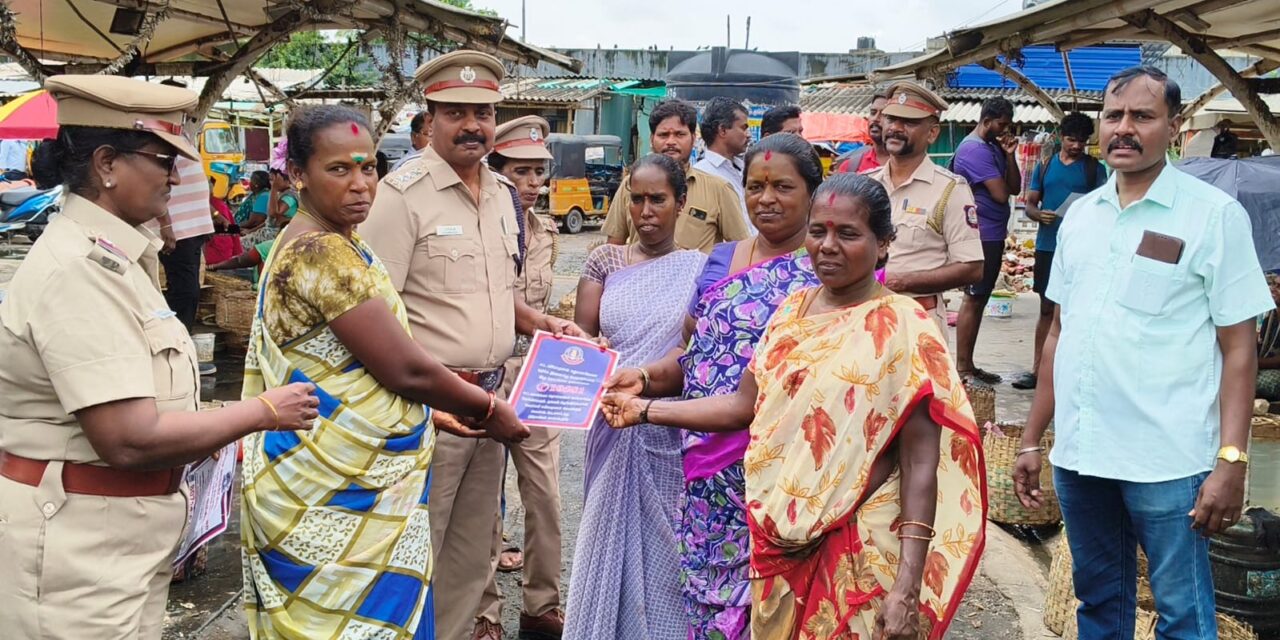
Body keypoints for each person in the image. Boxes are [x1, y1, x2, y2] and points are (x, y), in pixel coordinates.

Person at [602, 172, 987, 640]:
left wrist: (908, 584)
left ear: (883, 244)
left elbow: (921, 460)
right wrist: (642, 409)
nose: (827, 246)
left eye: (848, 234)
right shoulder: (792, 312)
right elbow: (744, 407)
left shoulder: (906, 328)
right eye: (818, 231)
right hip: (779, 536)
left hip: (861, 540)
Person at [0, 74, 318, 640]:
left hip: (117, 541)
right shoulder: (78, 271)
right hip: (79, 552)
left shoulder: (119, 257)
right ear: (106, 164)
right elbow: (128, 437)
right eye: (160, 158)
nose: (176, 177)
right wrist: (262, 412)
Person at [239, 104, 530, 638]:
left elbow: (351, 368)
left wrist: (434, 414)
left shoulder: (334, 242)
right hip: (334, 496)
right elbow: (404, 369)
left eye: (368, 167)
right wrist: (488, 410)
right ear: (297, 174)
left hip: (342, 480)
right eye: (339, 169)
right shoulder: (321, 253)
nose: (360, 185)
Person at [1013, 66, 1275, 640]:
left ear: (1174, 128)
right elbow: (1059, 332)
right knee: (1098, 602)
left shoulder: (1211, 216)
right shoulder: (1081, 216)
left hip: (1167, 458)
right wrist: (1034, 436)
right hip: (1083, 454)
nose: (1123, 129)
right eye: (1114, 115)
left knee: (1182, 612)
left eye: (1142, 116)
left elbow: (1239, 348)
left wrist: (1231, 459)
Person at [360, 49, 589, 640]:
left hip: (488, 404)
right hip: (430, 410)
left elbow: (492, 294)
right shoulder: (400, 195)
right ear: (429, 118)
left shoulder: (499, 193)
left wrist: (541, 323)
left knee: (471, 555)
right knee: (416, 553)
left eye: (482, 112)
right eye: (455, 111)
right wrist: (427, 405)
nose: (472, 125)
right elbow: (373, 315)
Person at [601, 132, 822, 639]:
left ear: (812, 191)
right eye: (755, 185)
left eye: (782, 187)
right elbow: (693, 354)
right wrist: (646, 377)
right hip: (707, 466)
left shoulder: (827, 268)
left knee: (780, 606)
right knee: (709, 600)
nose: (766, 198)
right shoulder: (721, 259)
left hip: (787, 469)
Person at [563, 153, 708, 640]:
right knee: (607, 537)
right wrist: (590, 352)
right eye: (637, 199)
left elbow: (696, 352)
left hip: (668, 422)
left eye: (658, 200)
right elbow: (579, 337)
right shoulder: (605, 261)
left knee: (668, 545)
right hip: (609, 419)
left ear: (680, 204)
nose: (646, 211)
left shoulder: (700, 269)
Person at [473, 116, 566, 640]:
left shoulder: (548, 229)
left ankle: (541, 606)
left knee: (546, 495)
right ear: (498, 171)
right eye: (520, 172)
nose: (531, 183)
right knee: (484, 500)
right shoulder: (484, 226)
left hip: (538, 370)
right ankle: (485, 613)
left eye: (538, 173)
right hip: (485, 371)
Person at [866, 81, 984, 334]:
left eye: (908, 122)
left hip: (918, 320)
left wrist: (902, 281)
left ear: (932, 133)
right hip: (863, 317)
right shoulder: (865, 184)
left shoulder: (950, 190)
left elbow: (972, 267)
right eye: (891, 119)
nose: (895, 128)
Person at [1011, 113, 1107, 390]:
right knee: (1046, 308)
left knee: (1073, 310)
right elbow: (1029, 204)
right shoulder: (1045, 164)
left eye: (1082, 141)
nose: (1077, 146)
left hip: (1080, 249)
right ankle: (1039, 369)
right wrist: (1039, 215)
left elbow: (1102, 208)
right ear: (1061, 137)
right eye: (1071, 139)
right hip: (1047, 246)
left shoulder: (1094, 170)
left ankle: (1067, 370)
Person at [602, 98, 750, 253]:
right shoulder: (631, 185)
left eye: (679, 134)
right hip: (641, 276)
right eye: (664, 135)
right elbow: (613, 248)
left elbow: (741, 249)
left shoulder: (719, 189)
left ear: (693, 139)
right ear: (652, 139)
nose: (671, 142)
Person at [951, 96, 1020, 383]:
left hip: (992, 232)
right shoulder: (974, 150)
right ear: (986, 120)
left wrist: (1009, 154)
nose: (1005, 130)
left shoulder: (992, 146)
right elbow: (1001, 194)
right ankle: (963, 366)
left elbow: (1014, 187)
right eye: (1001, 125)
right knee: (974, 297)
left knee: (980, 297)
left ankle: (969, 364)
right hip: (982, 234)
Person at [693, 96, 751, 217]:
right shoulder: (702, 175)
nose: (748, 135)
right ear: (723, 130)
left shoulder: (743, 169)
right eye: (743, 128)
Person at [836, 90, 890, 174]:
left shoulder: (910, 165)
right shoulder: (850, 167)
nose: (875, 119)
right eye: (873, 113)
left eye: (884, 114)